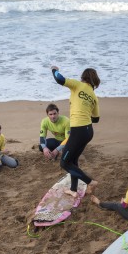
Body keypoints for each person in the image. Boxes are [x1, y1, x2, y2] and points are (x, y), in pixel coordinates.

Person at [51, 65, 100, 198]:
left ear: (83, 77)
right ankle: (73, 189)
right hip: (88, 131)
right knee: (72, 160)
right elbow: (96, 119)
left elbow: (59, 79)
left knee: (64, 163)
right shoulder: (94, 97)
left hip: (78, 131)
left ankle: (90, 182)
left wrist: (54, 69)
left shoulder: (77, 85)